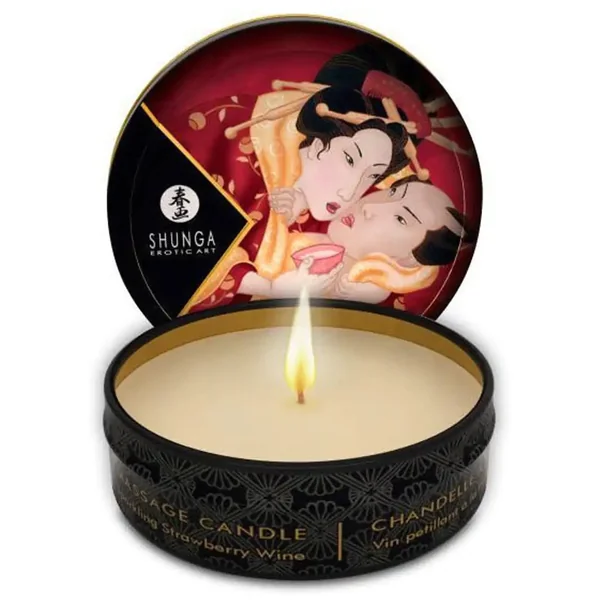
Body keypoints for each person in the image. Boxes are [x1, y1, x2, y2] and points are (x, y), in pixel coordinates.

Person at [238, 178, 474, 304]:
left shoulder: (362, 287)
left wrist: (270, 289)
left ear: (410, 259)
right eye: (392, 193)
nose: (369, 207)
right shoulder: (316, 215)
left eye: (401, 219)